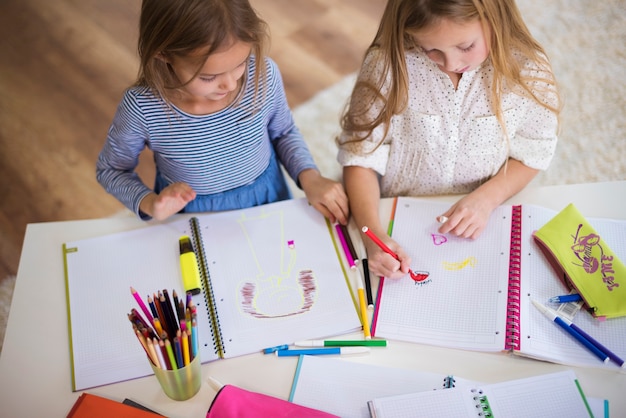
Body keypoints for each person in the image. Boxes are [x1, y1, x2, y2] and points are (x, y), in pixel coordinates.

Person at [337, 0, 560, 279]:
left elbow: (534, 150)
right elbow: (360, 156)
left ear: (496, 19)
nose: (451, 64)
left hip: (490, 212)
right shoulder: (388, 67)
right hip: (399, 209)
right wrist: (373, 237)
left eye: (466, 47)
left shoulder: (527, 69)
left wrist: (486, 199)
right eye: (431, 50)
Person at [97, 0, 348, 225]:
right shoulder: (142, 108)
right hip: (193, 216)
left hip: (266, 198)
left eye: (240, 63)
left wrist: (310, 177)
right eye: (209, 77)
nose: (230, 85)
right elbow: (111, 170)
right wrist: (150, 203)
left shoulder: (263, 75)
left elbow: (283, 132)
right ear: (163, 54)